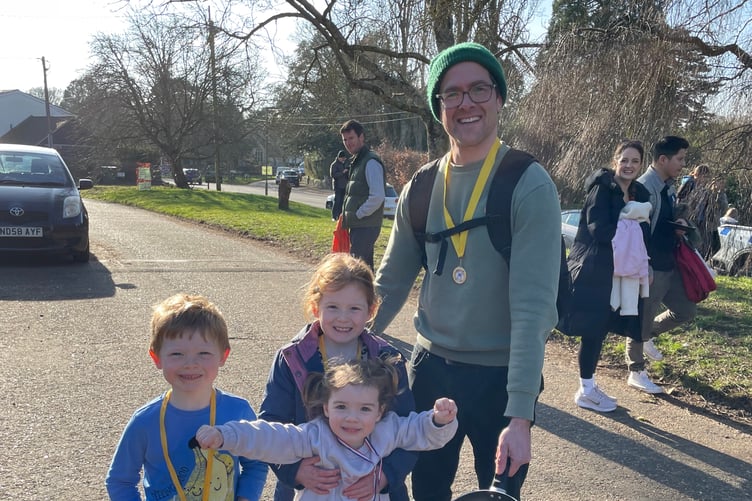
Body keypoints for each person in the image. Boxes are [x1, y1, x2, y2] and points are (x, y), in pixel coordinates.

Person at [372, 42, 561, 501]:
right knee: (428, 488)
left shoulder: (528, 182)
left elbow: (534, 308)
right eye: (451, 94)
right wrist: (336, 339)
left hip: (501, 377)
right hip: (431, 369)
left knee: (496, 494)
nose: (466, 103)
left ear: (498, 98)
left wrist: (520, 418)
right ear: (440, 108)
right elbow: (389, 281)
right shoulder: (421, 186)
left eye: (479, 89)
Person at [258, 253, 417, 501]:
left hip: (374, 487)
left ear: (371, 310)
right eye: (332, 307)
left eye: (354, 308)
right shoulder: (292, 357)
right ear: (315, 307)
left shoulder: (388, 359)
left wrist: (387, 474)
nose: (343, 318)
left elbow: (410, 429)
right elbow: (271, 424)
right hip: (308, 489)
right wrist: (294, 471)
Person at [196, 358, 458, 501]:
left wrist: (439, 420)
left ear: (379, 412)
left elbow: (421, 432)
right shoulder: (314, 435)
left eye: (365, 409)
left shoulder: (388, 430)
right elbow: (269, 436)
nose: (352, 418)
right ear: (326, 408)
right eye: (342, 406)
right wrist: (226, 435)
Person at [105, 293, 267, 501]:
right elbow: (119, 481)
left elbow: (256, 463)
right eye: (177, 354)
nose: (190, 363)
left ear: (223, 356)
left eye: (203, 354)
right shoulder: (144, 422)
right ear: (156, 358)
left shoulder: (239, 411)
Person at [557, 140, 652, 413]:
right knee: (591, 330)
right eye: (624, 160)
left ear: (640, 165)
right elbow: (598, 230)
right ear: (615, 161)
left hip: (621, 273)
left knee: (598, 332)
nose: (629, 165)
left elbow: (645, 233)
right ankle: (585, 389)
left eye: (635, 161)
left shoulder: (638, 194)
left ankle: (588, 385)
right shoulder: (601, 189)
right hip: (592, 270)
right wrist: (630, 220)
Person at [626, 136, 697, 393]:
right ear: (663, 159)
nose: (683, 164)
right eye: (680, 159)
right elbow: (635, 233)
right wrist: (645, 266)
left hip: (670, 264)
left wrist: (679, 224)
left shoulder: (667, 186)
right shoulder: (644, 187)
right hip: (651, 266)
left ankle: (646, 337)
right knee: (641, 317)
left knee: (686, 311)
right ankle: (636, 370)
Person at [340, 120, 386, 270]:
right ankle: (371, 294)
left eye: (351, 138)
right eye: (345, 140)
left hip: (366, 225)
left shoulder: (370, 162)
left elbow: (378, 196)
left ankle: (365, 294)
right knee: (365, 270)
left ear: (361, 137)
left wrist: (359, 214)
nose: (348, 143)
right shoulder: (358, 161)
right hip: (360, 226)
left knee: (356, 270)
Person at [329, 150, 349, 221]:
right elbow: (333, 175)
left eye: (344, 158)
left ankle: (340, 216)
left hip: (344, 185)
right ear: (339, 157)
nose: (343, 159)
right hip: (337, 185)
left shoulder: (344, 164)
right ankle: (334, 216)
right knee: (337, 201)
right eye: (342, 158)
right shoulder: (334, 165)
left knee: (342, 202)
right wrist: (342, 172)